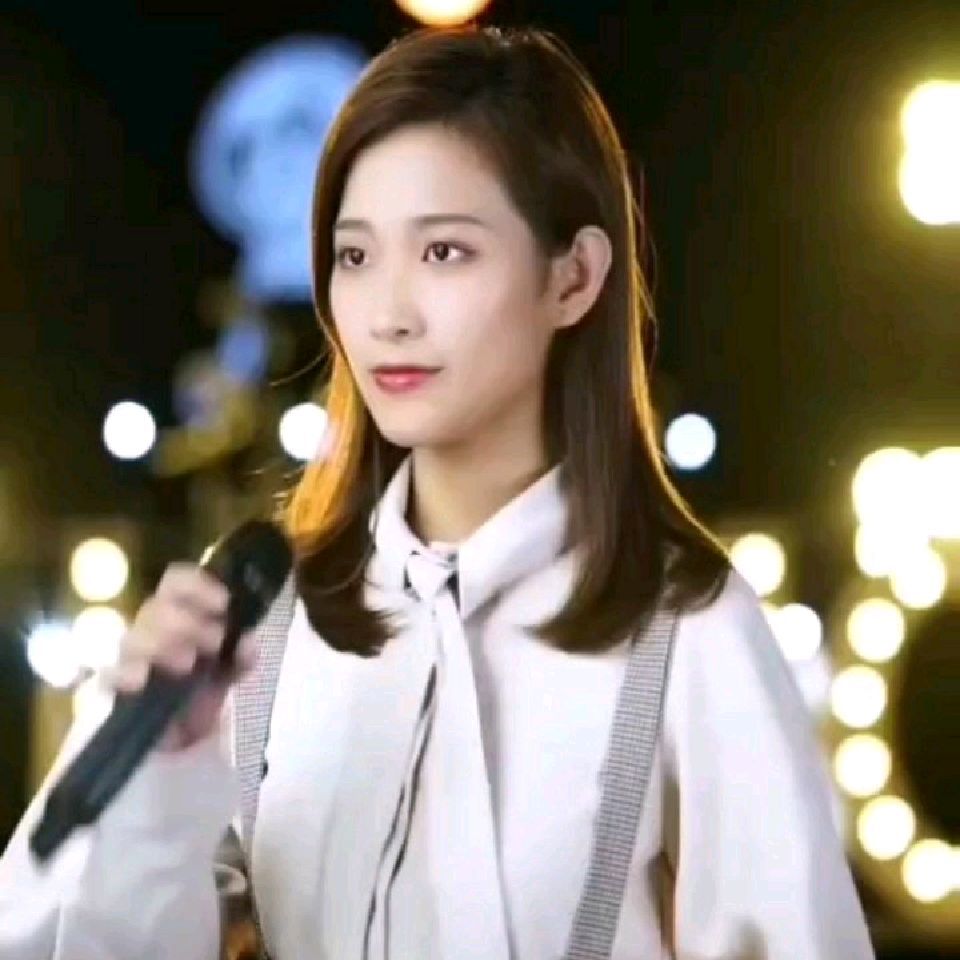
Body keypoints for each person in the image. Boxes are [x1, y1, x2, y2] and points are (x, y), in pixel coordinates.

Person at [0, 24, 876, 960]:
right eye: (355, 257)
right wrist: (163, 782)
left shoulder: (687, 626)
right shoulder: (266, 618)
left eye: (445, 252)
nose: (388, 314)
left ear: (574, 276)